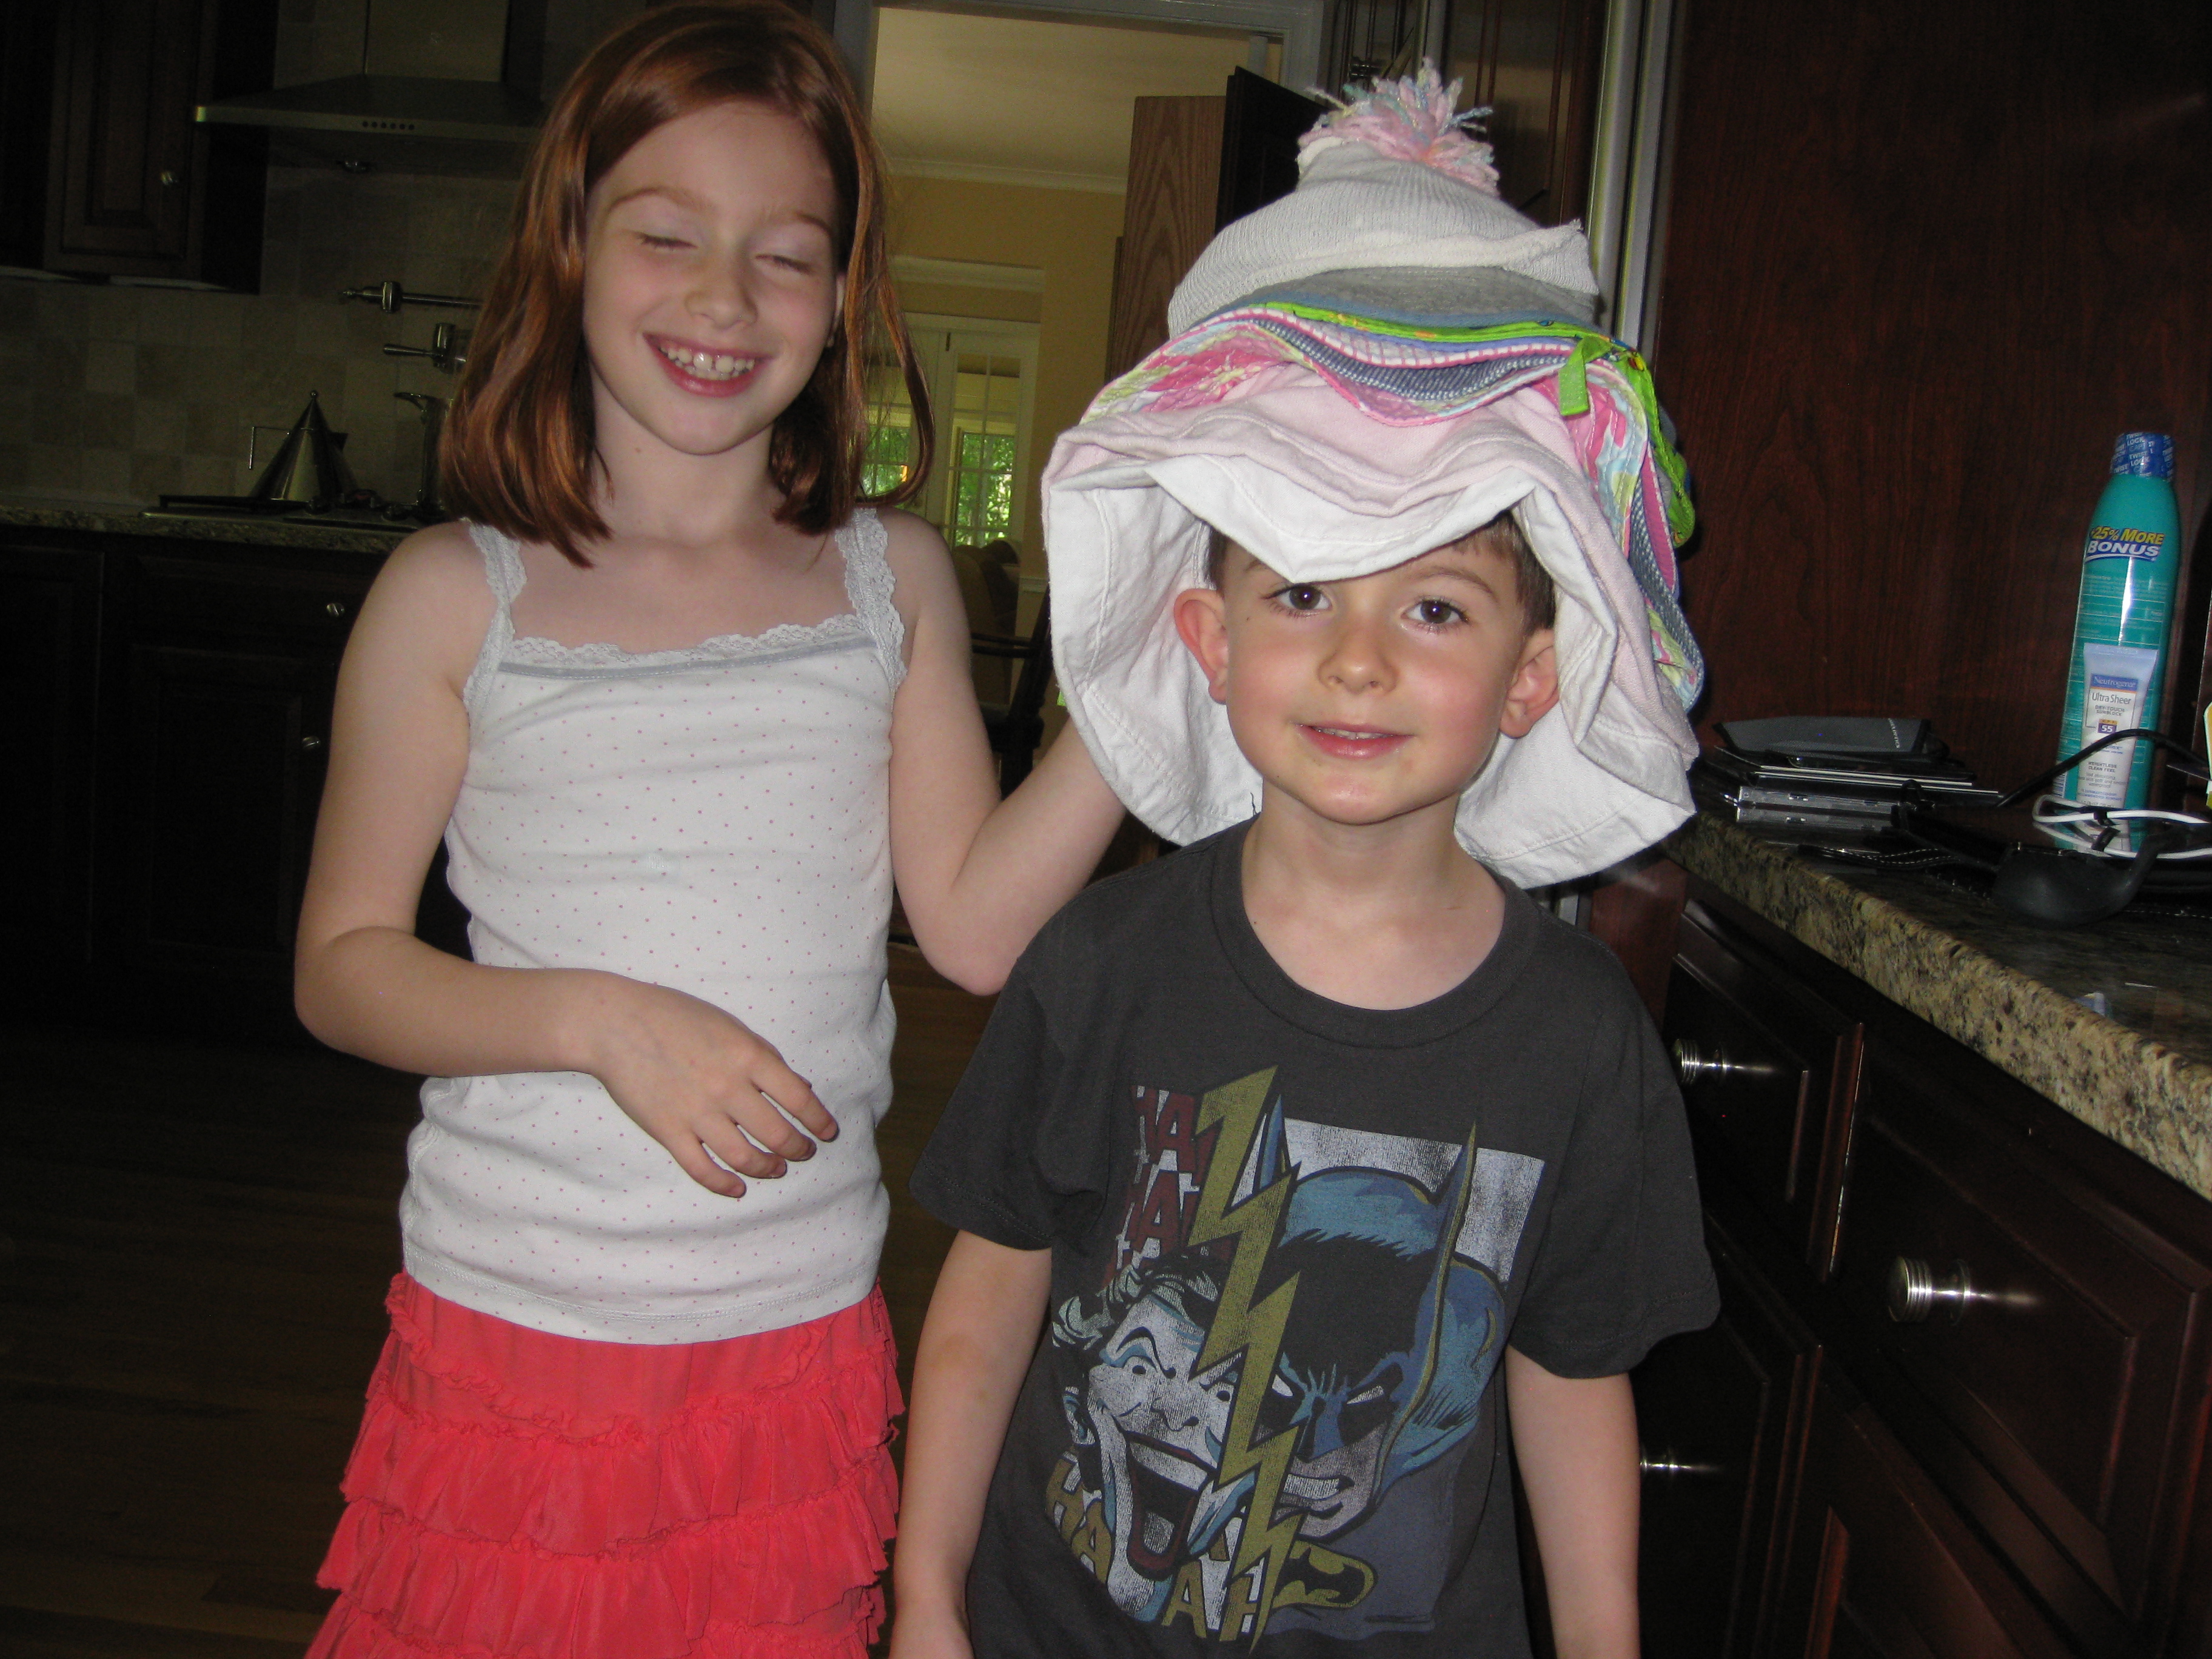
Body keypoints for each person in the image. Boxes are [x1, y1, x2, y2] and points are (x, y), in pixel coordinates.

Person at [289, 7, 1124, 1658]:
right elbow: (343, 967)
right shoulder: (453, 594)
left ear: (844, 293)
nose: (726, 299)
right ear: (571, 247)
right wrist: (602, 1021)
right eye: (667, 235)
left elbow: (973, 929)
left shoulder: (894, 580)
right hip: (514, 1331)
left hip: (789, 1344)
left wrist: (1138, 708)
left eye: (786, 255)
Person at [892, 67, 1718, 1659]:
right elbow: (991, 1293)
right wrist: (927, 1594)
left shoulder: (1579, 1036)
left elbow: (1571, 1373)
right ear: (1207, 641)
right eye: (1300, 593)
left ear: (1531, 678)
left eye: (1433, 607)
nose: (1357, 661)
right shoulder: (1100, 966)